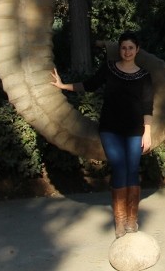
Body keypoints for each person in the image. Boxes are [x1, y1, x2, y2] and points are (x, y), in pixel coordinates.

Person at [51, 31, 154, 237]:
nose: (127, 51)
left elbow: (147, 106)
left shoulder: (144, 75)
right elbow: (89, 85)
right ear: (119, 49)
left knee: (132, 170)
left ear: (137, 50)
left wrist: (147, 133)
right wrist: (63, 85)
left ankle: (132, 220)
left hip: (135, 131)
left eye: (131, 48)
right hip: (110, 129)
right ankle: (120, 222)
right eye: (123, 47)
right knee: (118, 168)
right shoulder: (109, 68)